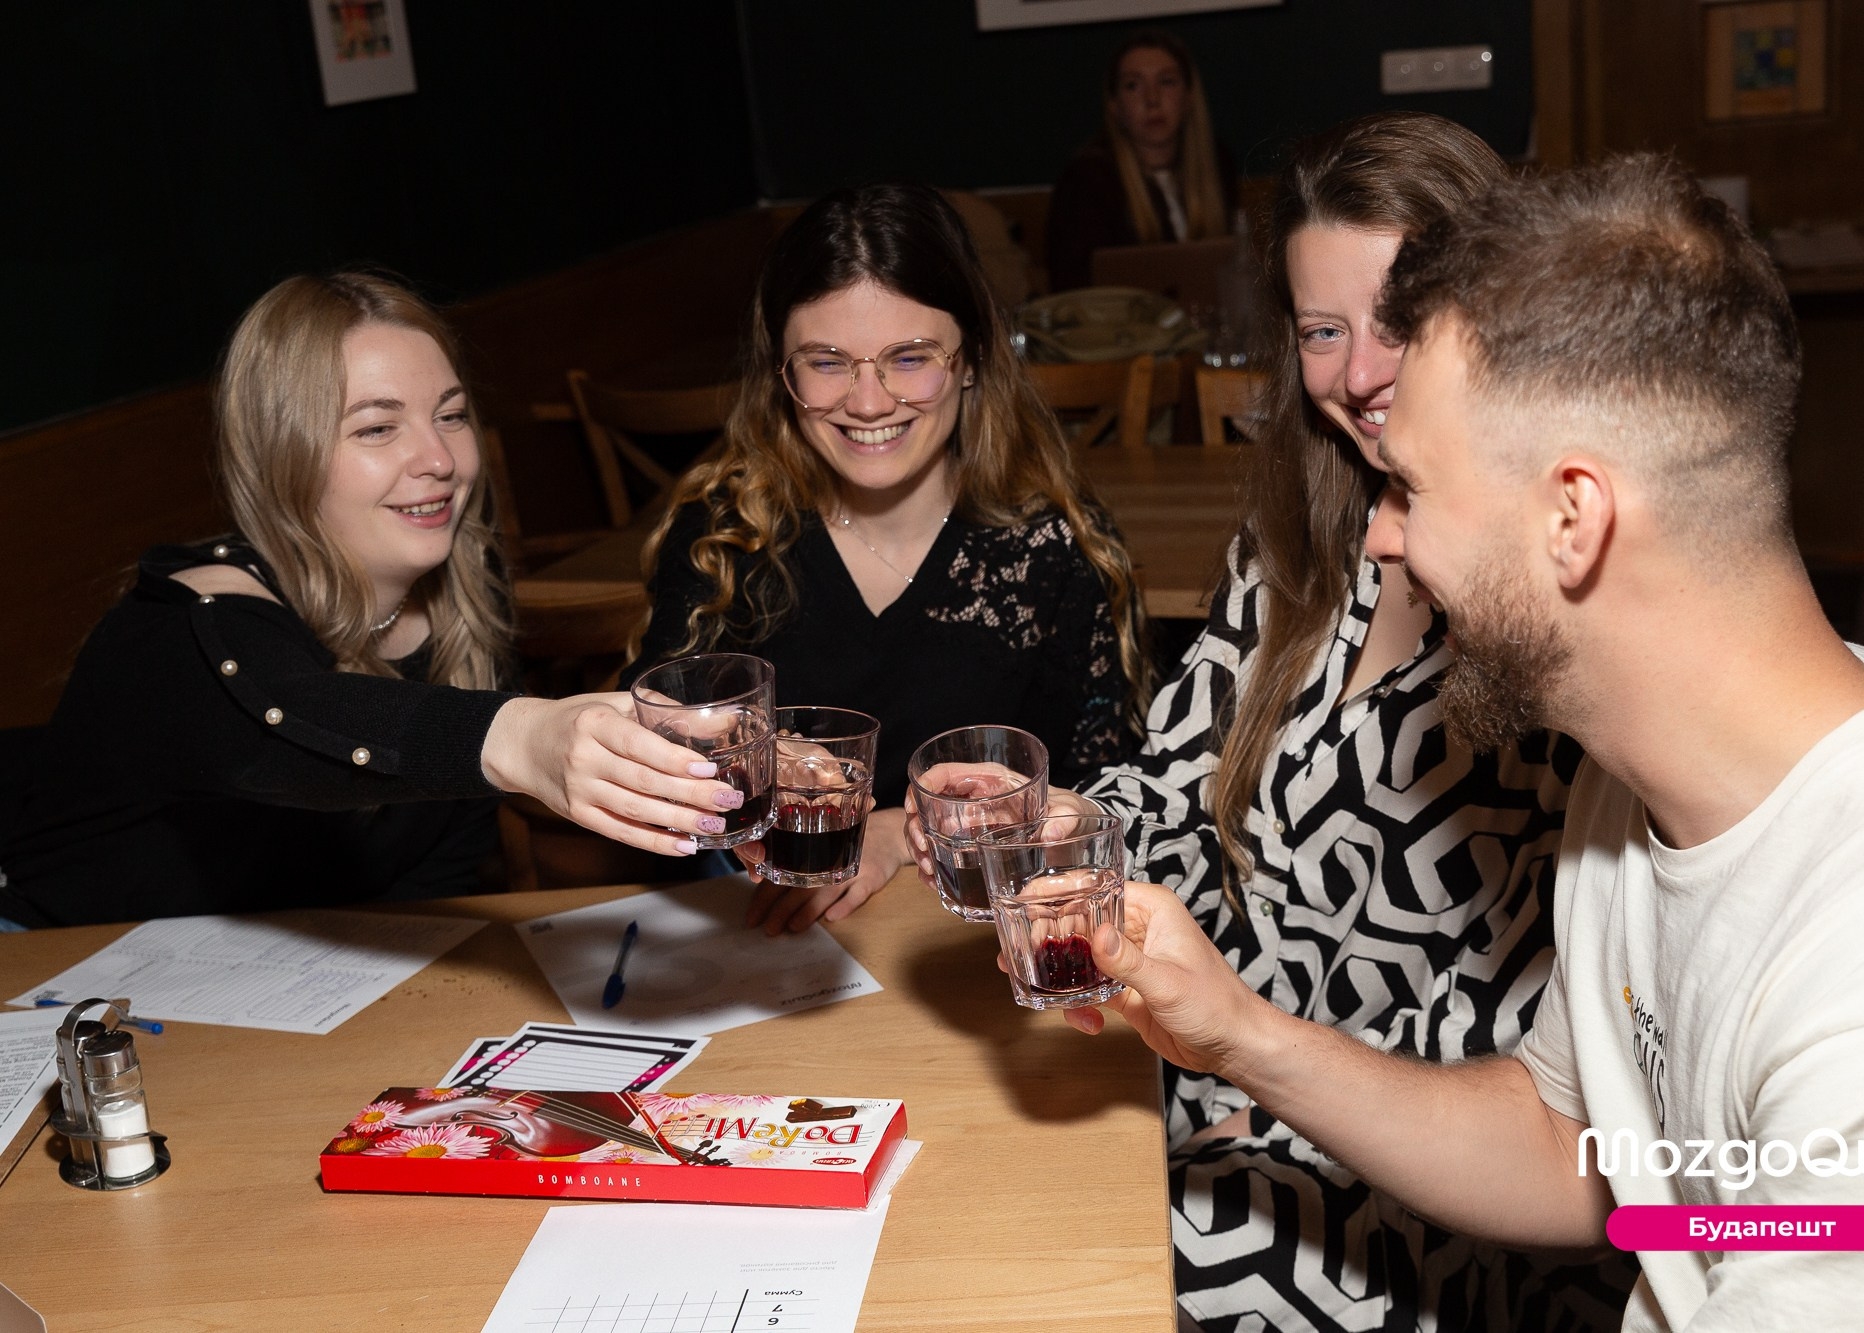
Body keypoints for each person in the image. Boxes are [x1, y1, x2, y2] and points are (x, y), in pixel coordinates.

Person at [1065, 154, 1864, 1331]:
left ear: (1572, 516)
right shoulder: (1632, 776)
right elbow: (1568, 1143)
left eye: (1411, 487)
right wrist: (1241, 1037)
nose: (1383, 539)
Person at [916, 113, 1634, 1330]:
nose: (1357, 372)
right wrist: (1049, 822)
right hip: (1211, 1065)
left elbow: (1540, 1025)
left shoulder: (1549, 598)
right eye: (1319, 330)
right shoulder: (1296, 541)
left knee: (1068, 1279)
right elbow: (1172, 787)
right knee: (965, 1169)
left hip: (1422, 1161)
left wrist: (1270, 1073)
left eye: (1398, 319)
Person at [0, 273, 743, 929]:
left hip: (269, 988)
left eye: (450, 415)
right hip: (56, 974)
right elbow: (282, 719)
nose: (440, 460)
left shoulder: (464, 595)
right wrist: (520, 735)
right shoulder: (185, 623)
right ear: (283, 456)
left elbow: (434, 876)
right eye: (378, 428)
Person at [625, 182, 1150, 937]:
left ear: (971, 360)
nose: (868, 403)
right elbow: (643, 747)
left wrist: (901, 834)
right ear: (781, 374)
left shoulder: (1055, 550)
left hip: (979, 944)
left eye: (909, 358)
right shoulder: (726, 535)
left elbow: (1104, 805)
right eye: (826, 362)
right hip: (753, 937)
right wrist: (747, 764)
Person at [1045, 28, 1237, 293]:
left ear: (1189, 95)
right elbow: (1073, 290)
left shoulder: (1217, 163)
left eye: (1166, 82)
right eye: (1133, 85)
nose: (1152, 99)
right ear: (1114, 105)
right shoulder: (1087, 182)